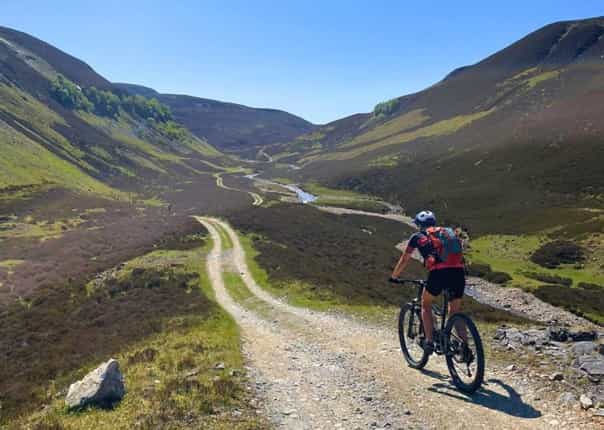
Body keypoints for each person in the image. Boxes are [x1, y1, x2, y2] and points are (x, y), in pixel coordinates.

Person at [390, 210, 466, 355]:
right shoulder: (447, 233)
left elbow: (404, 259)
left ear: (419, 225)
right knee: (455, 311)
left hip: (438, 274)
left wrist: (394, 276)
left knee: (425, 304)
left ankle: (429, 342)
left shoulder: (417, 237)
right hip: (458, 272)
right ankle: (465, 349)